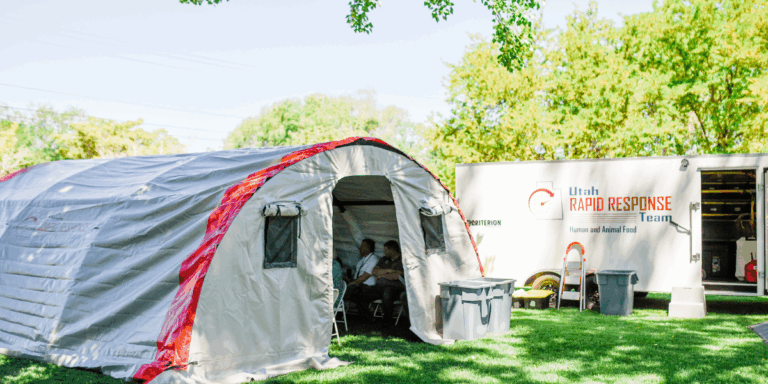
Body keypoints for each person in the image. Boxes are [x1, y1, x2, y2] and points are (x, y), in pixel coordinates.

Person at [344, 238, 380, 320]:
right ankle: (366, 318)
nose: (360, 248)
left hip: (368, 287)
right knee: (354, 294)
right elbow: (358, 275)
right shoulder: (362, 260)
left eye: (362, 246)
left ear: (368, 247)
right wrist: (350, 280)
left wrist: (351, 284)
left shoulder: (373, 259)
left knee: (353, 293)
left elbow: (365, 276)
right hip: (359, 285)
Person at [371, 240, 405, 324]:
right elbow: (374, 271)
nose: (384, 252)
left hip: (395, 288)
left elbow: (396, 276)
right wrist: (389, 270)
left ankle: (387, 322)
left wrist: (382, 275)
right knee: (362, 291)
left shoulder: (402, 260)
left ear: (392, 250)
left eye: (386, 250)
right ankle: (369, 319)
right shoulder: (383, 259)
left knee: (387, 293)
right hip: (379, 287)